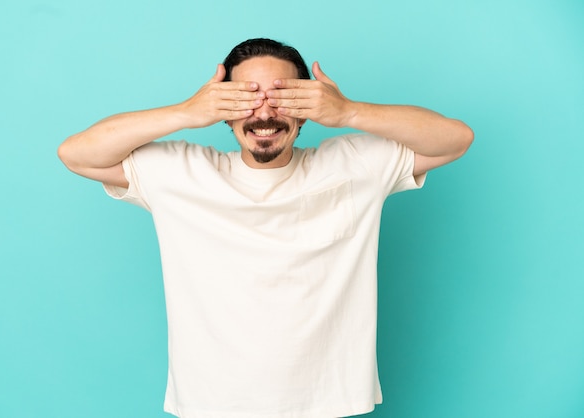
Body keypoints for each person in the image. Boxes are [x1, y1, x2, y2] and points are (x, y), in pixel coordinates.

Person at [58, 38, 473, 418]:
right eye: (245, 98)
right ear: (223, 111)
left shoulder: (353, 165)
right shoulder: (180, 173)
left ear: (308, 108)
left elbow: (455, 139)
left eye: (283, 96)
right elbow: (77, 154)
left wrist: (347, 111)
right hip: (212, 403)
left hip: (327, 402)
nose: (265, 113)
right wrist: (187, 111)